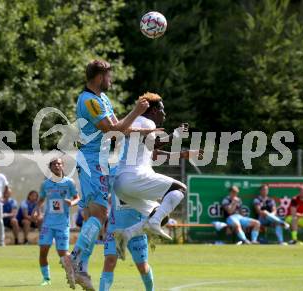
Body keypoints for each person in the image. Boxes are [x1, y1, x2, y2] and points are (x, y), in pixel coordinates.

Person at [62, 59, 151, 289]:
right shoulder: (89, 100)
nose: (111, 80)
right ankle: (75, 259)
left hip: (100, 162)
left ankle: (80, 266)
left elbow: (119, 127)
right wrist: (137, 111)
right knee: (99, 214)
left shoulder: (103, 99)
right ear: (100, 77)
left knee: (98, 215)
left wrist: (144, 130)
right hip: (92, 161)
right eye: (109, 76)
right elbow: (112, 129)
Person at [112, 92, 201, 256]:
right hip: (134, 177)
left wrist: (183, 155)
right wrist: (176, 135)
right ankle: (153, 223)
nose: (164, 114)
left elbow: (153, 153)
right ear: (153, 111)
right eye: (162, 110)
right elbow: (154, 144)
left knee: (161, 215)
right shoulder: (147, 122)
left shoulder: (135, 122)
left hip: (120, 185)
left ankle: (126, 235)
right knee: (180, 189)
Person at [99, 169, 154, 291]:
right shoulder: (112, 172)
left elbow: (152, 195)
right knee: (109, 261)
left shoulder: (142, 170)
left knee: (142, 268)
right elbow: (103, 193)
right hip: (114, 229)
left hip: (136, 230)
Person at [32, 158, 80, 287]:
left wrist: (72, 202)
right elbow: (41, 199)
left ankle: (73, 272)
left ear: (62, 166)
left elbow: (77, 198)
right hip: (48, 224)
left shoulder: (69, 183)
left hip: (62, 224)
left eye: (59, 163)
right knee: (43, 251)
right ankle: (46, 279)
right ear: (50, 167)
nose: (57, 166)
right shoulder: (45, 184)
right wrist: (36, 210)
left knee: (62, 254)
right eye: (54, 164)